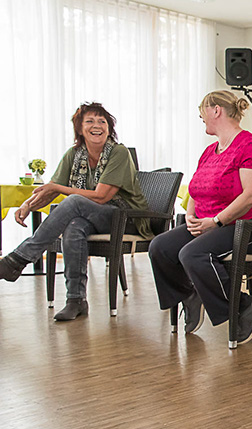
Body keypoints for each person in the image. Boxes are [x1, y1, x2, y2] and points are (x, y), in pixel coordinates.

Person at [0, 102, 150, 321]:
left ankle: (17, 259)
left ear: (109, 128)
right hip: (96, 216)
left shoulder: (119, 152)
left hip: (125, 218)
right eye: (89, 121)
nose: (96, 125)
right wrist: (27, 205)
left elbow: (101, 196)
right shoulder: (74, 154)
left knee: (75, 202)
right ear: (80, 128)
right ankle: (76, 300)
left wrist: (58, 189)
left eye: (102, 121)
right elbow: (51, 188)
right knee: (73, 226)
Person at [148, 90, 252, 345]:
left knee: (192, 254)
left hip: (251, 227)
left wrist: (216, 221)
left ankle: (244, 306)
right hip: (210, 224)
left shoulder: (250, 145)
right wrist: (191, 216)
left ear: (216, 110)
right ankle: (190, 294)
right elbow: (196, 189)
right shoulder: (209, 151)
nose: (200, 117)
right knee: (160, 247)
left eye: (202, 111)